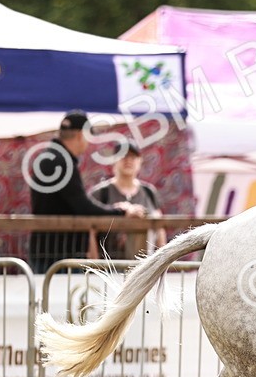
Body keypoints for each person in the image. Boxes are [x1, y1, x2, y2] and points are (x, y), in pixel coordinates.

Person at [27, 111, 147, 273]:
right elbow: (83, 207)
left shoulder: (50, 157)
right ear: (80, 135)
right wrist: (121, 211)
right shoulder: (62, 161)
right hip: (59, 254)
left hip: (48, 250)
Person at [88, 138, 166, 261]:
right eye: (123, 155)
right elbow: (91, 231)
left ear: (140, 161)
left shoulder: (149, 192)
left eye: (133, 156)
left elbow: (160, 230)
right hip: (109, 267)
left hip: (144, 267)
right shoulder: (101, 192)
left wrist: (161, 262)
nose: (128, 160)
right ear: (114, 160)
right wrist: (94, 265)